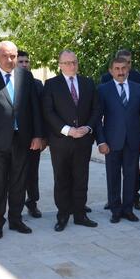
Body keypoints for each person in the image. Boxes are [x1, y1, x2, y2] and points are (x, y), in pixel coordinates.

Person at [0, 41, 43, 240]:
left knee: (18, 182)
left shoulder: (26, 76)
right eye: (5, 55)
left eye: (13, 56)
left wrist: (37, 135)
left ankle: (15, 219)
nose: (9, 59)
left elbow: (34, 108)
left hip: (22, 139)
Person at [42, 50, 99, 232]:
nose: (71, 65)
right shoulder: (51, 84)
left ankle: (80, 214)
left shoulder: (88, 83)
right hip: (61, 141)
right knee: (62, 179)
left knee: (81, 178)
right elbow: (48, 112)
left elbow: (96, 109)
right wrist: (68, 130)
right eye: (67, 63)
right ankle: (63, 215)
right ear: (60, 65)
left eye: (74, 62)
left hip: (83, 140)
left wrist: (88, 128)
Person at [97, 57, 140, 223]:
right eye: (117, 68)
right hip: (112, 142)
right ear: (111, 71)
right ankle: (115, 210)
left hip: (133, 141)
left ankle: (128, 209)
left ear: (128, 69)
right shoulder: (103, 89)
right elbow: (97, 118)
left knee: (130, 176)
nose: (121, 72)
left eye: (123, 68)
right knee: (113, 176)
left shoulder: (138, 89)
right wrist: (101, 141)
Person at [17, 50, 46, 218]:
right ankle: (16, 206)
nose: (24, 64)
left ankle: (32, 203)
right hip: (14, 138)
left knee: (32, 173)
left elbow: (42, 112)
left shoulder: (37, 84)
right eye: (20, 61)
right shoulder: (9, 82)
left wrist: (43, 137)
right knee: (16, 174)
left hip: (33, 138)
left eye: (26, 61)